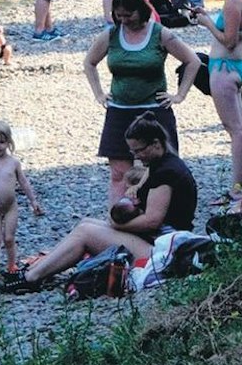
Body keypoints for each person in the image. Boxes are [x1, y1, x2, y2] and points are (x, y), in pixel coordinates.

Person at [13, 120, 197, 287]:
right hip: (155, 241)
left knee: (86, 232)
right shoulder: (161, 163)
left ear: (156, 143)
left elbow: (152, 221)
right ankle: (37, 267)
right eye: (133, 152)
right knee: (86, 223)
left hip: (160, 250)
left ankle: (31, 278)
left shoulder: (166, 174)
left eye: (139, 150)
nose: (136, 156)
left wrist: (117, 225)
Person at [83, 0, 202, 211]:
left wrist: (179, 95)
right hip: (119, 111)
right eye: (119, 15)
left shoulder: (160, 33)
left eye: (129, 15)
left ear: (141, 9)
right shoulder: (111, 35)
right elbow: (89, 62)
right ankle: (117, 218)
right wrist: (99, 93)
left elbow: (192, 61)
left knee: (162, 169)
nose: (124, 20)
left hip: (153, 110)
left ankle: (161, 215)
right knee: (119, 173)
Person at [198, 0, 242, 213]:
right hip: (233, 67)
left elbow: (228, 41)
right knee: (241, 129)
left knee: (236, 131)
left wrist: (207, 23)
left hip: (225, 68)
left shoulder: (233, 1)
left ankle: (238, 190)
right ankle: (240, 187)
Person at [0, 120, 45, 282]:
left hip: (10, 208)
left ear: (9, 142)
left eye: (2, 142)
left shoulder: (14, 163)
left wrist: (33, 201)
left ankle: (12, 264)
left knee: (8, 238)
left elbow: (23, 182)